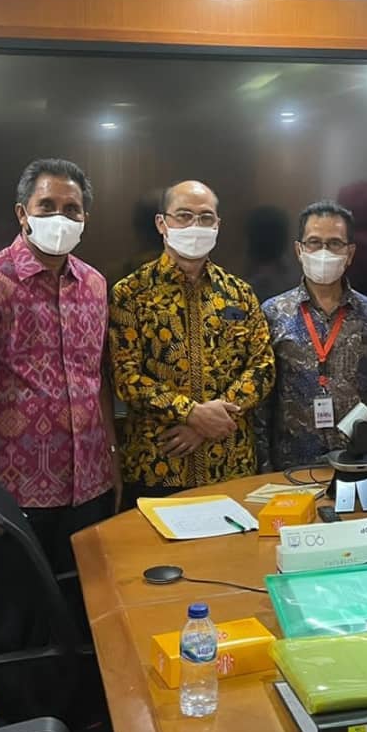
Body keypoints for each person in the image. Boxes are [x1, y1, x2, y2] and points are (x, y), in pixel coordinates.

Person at [0, 158, 121, 567]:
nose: (60, 217)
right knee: (19, 605)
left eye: (72, 209)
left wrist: (112, 458)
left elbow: (97, 379)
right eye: (47, 206)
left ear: (85, 219)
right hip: (13, 489)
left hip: (89, 485)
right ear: (23, 213)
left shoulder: (94, 284)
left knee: (87, 601)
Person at [109, 180, 275, 501]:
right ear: (162, 223)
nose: (195, 226)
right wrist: (190, 414)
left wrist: (207, 423)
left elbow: (262, 368)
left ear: (217, 225)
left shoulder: (239, 293)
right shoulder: (130, 293)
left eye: (205, 217)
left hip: (230, 462)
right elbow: (125, 377)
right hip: (157, 464)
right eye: (184, 216)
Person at [255, 201, 367, 472]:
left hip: (361, 459)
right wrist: (263, 465)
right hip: (293, 462)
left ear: (350, 253)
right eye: (314, 242)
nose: (323, 252)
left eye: (335, 243)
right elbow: (263, 400)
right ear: (299, 250)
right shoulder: (273, 313)